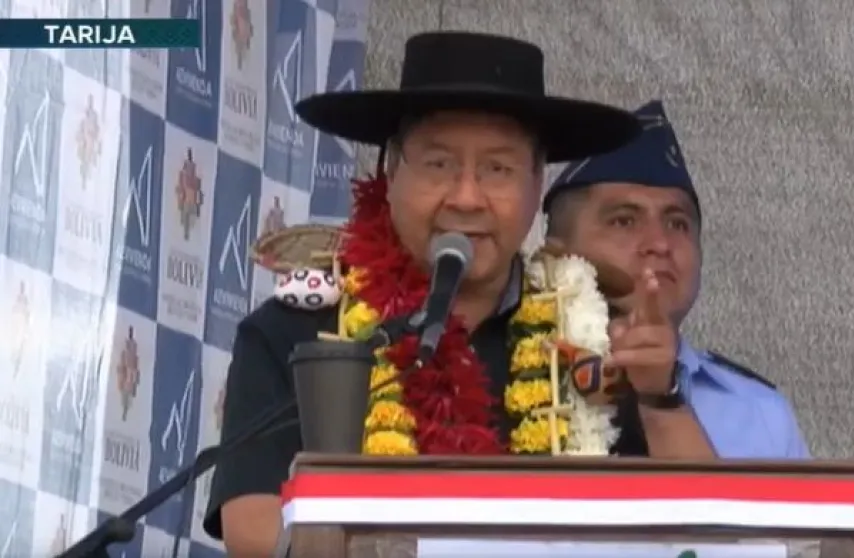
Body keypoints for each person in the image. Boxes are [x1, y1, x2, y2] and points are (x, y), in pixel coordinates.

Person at [204, 31, 641, 556]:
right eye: (438, 164)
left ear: (536, 185)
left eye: (497, 169)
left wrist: (666, 397)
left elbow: (668, 529)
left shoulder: (591, 338)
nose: (465, 196)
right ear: (390, 171)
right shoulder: (297, 330)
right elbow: (250, 529)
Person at [542, 99, 811, 459]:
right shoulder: (496, 375)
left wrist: (661, 397)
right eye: (624, 221)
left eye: (677, 224)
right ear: (557, 251)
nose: (659, 244)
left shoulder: (758, 412)